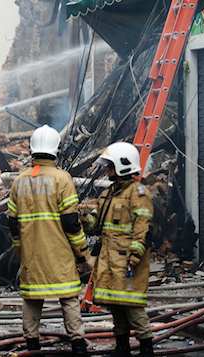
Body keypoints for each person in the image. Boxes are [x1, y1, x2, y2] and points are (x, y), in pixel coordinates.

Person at [7, 125, 89, 356]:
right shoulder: (62, 179)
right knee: (69, 298)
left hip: (31, 255)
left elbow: (12, 224)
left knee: (32, 299)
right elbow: (72, 223)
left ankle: (32, 345)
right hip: (59, 254)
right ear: (55, 150)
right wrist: (82, 253)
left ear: (32, 151)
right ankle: (78, 345)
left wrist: (20, 251)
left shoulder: (19, 181)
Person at [87, 142, 154, 357]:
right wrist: (82, 217)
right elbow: (95, 224)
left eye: (110, 166)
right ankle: (122, 348)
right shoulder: (109, 193)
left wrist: (134, 257)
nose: (107, 171)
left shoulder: (139, 193)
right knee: (115, 305)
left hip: (127, 261)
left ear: (123, 166)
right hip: (109, 259)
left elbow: (142, 227)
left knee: (133, 307)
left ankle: (146, 349)